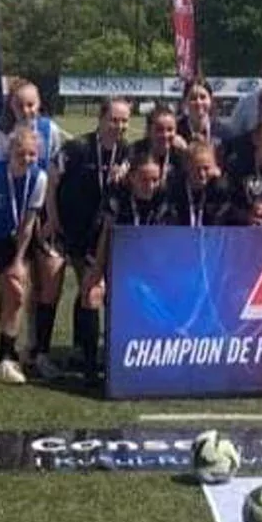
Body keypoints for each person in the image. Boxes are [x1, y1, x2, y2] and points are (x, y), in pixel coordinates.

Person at [41, 97, 131, 380]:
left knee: (90, 287)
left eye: (124, 121)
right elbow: (51, 181)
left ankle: (85, 353)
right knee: (52, 284)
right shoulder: (78, 147)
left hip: (97, 234)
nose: (119, 126)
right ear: (101, 120)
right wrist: (53, 218)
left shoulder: (128, 152)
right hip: (66, 228)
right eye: (114, 120)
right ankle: (40, 352)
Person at [81, 150, 176, 388]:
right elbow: (105, 235)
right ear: (131, 177)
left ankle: (152, 360)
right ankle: (91, 366)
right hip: (113, 264)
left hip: (148, 269)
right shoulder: (116, 195)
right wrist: (98, 272)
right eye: (144, 179)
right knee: (92, 295)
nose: (150, 185)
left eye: (155, 180)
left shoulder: (163, 197)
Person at [0, 128, 48, 385]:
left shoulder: (39, 178)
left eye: (32, 154)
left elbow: (29, 222)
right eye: (22, 153)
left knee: (16, 292)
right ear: (10, 151)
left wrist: (18, 261)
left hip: (15, 240)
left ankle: (6, 358)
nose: (27, 158)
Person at [171, 142, 234, 227]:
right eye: (196, 169)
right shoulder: (175, 190)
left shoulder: (220, 191)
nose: (202, 174)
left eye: (206, 168)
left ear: (214, 167)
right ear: (186, 167)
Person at [132, 106, 188, 188]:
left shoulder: (179, 153)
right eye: (159, 130)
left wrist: (187, 153)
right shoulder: (136, 151)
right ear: (148, 130)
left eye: (170, 130)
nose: (165, 135)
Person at [177, 79, 223, 148]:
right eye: (193, 98)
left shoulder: (224, 133)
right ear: (185, 102)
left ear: (211, 100)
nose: (198, 102)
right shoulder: (176, 131)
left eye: (203, 97)